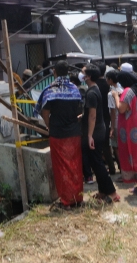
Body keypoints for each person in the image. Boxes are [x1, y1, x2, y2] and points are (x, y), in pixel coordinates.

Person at [35, 60, 83, 209]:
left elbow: (44, 111)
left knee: (61, 167)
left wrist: (49, 125)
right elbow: (79, 111)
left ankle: (66, 201)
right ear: (68, 72)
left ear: (54, 72)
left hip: (57, 134)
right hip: (74, 133)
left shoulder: (50, 90)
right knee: (75, 166)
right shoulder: (75, 89)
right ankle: (77, 198)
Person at [81, 64, 120, 203]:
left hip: (95, 131)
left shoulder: (91, 92)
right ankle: (103, 191)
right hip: (98, 129)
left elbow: (92, 115)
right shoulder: (94, 89)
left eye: (83, 73)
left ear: (89, 76)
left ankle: (112, 193)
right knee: (95, 161)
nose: (81, 75)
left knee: (97, 163)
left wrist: (89, 135)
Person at [94, 61, 116, 174]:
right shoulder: (108, 85)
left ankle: (106, 168)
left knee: (101, 145)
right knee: (108, 144)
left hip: (98, 118)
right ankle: (114, 167)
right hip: (108, 116)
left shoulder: (94, 86)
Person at [106, 69, 123, 173]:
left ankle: (123, 169)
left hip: (116, 122)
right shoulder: (123, 89)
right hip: (124, 121)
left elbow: (112, 111)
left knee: (116, 147)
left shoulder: (111, 93)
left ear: (110, 80)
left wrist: (112, 128)